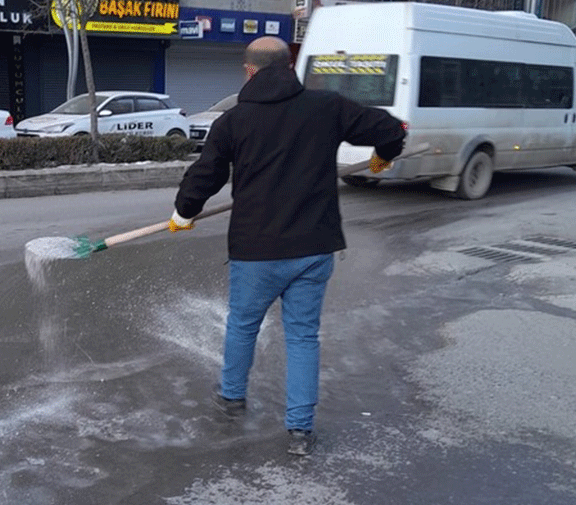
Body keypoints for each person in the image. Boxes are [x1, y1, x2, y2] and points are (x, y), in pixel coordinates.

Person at [168, 36, 405, 456]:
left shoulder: (233, 121)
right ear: (290, 66)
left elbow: (206, 175)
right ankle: (299, 430)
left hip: (256, 250)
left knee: (242, 325)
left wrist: (184, 212)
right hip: (313, 248)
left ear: (249, 71)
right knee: (302, 337)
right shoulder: (327, 107)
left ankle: (231, 398)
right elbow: (390, 128)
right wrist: (384, 156)